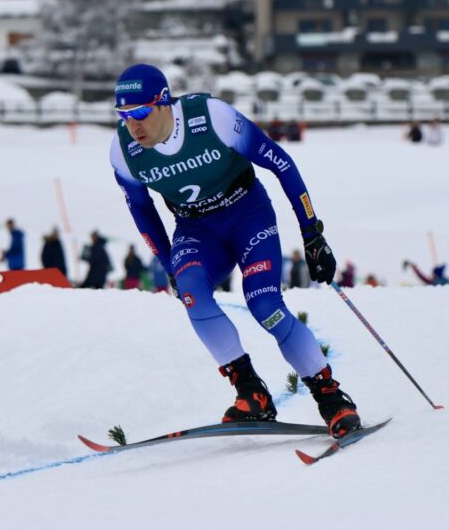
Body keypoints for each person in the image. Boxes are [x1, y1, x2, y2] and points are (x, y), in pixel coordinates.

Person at [109, 63, 361, 438]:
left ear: (164, 103)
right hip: (196, 231)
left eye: (141, 113)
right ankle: (250, 390)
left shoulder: (212, 118)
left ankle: (331, 397)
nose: (134, 126)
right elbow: (143, 213)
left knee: (265, 306)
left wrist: (312, 234)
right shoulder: (124, 151)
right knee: (192, 294)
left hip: (248, 216)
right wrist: (168, 266)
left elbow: (282, 164)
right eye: (125, 116)